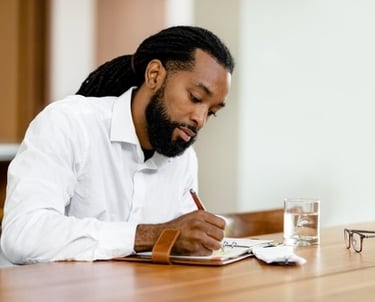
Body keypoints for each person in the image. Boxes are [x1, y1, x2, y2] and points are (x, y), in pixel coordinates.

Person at [0, 25, 234, 264]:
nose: (200, 119)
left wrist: (196, 240)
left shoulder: (184, 159)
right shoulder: (68, 123)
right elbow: (22, 235)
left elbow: (178, 245)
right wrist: (153, 235)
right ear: (154, 75)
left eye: (212, 112)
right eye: (195, 98)